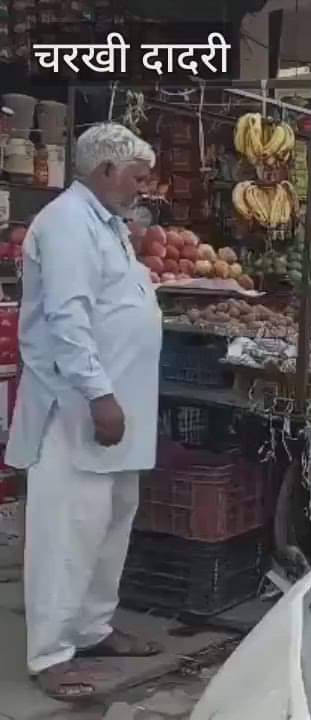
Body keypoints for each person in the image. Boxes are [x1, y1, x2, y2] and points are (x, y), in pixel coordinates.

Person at [7, 123, 162, 699]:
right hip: (78, 409)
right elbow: (66, 319)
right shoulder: (70, 223)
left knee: (110, 525)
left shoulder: (108, 224)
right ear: (103, 172)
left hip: (118, 412)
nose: (144, 188)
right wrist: (99, 394)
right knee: (67, 534)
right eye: (137, 178)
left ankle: (93, 627)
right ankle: (50, 654)